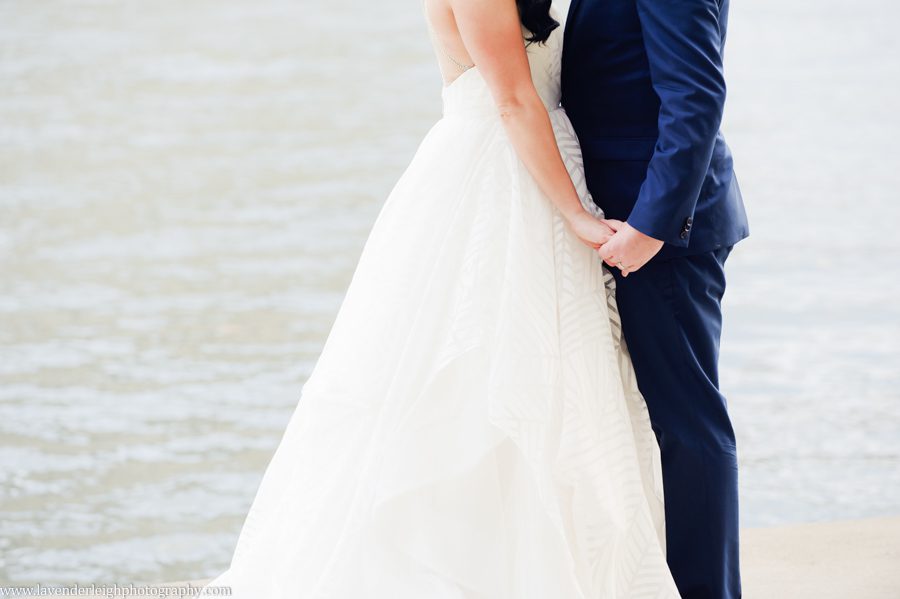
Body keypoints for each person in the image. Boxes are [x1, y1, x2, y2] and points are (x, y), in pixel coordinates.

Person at [199, 0, 686, 596]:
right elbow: (511, 99)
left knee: (564, 380)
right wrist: (576, 215)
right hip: (500, 171)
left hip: (543, 159)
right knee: (480, 374)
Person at [561, 0, 750, 597]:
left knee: (688, 424)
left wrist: (653, 227)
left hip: (656, 228)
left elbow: (695, 94)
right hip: (624, 214)